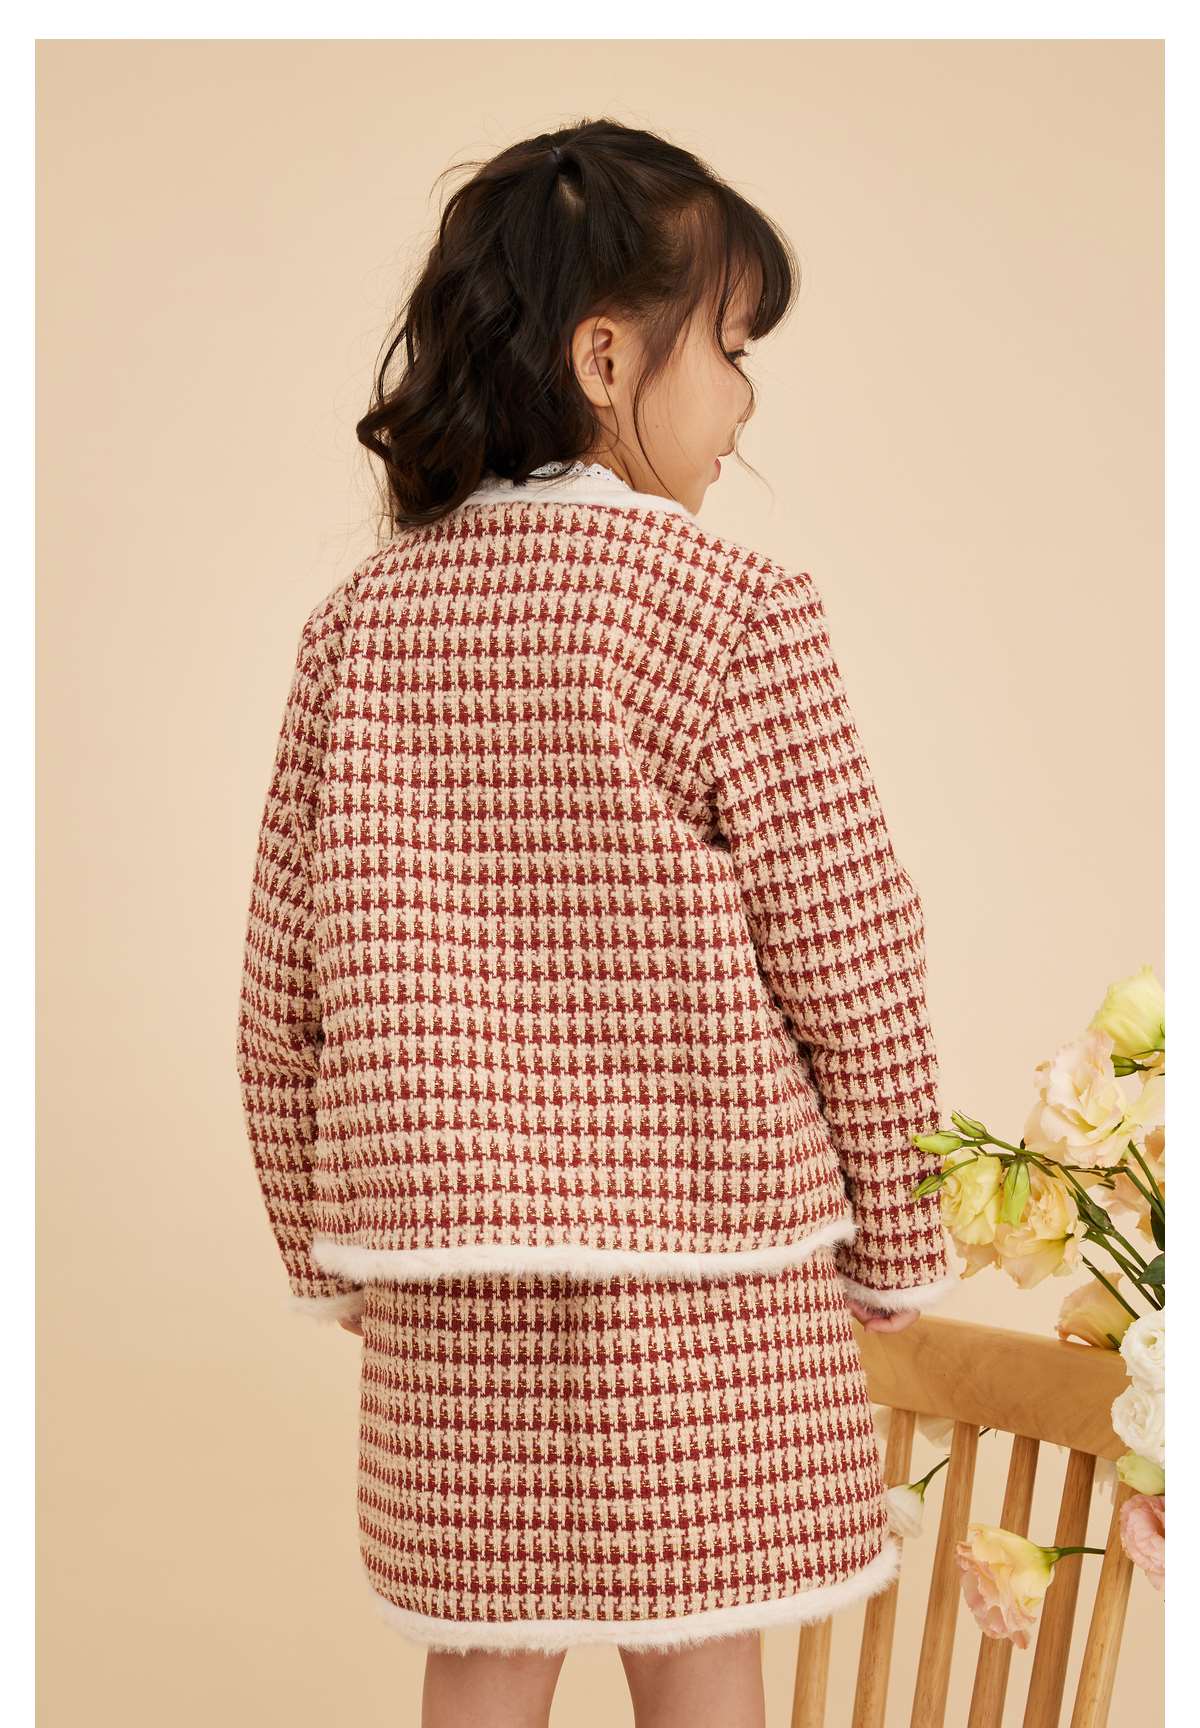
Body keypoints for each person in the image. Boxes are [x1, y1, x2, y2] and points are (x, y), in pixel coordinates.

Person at [235, 117, 956, 1728]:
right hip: (717, 1268)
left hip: (453, 1276)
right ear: (608, 354)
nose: (747, 401)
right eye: (736, 348)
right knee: (705, 1650)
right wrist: (900, 1233)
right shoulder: (732, 608)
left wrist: (326, 1246)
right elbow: (851, 952)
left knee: (484, 1656)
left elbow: (285, 989)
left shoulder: (359, 626)